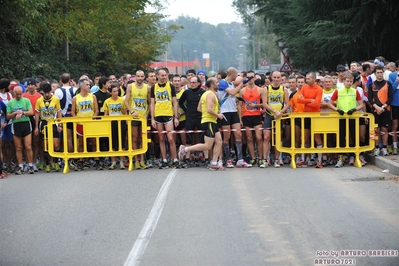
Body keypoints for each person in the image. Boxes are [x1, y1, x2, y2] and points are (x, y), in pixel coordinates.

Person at [178, 77, 225, 171]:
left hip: (211, 121)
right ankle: (185, 149)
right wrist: (218, 114)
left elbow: (199, 108)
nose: (218, 84)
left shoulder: (204, 93)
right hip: (209, 121)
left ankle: (214, 163)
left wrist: (213, 112)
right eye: (216, 82)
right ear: (211, 84)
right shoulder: (210, 94)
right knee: (207, 145)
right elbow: (208, 109)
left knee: (219, 141)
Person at [326, 74, 364, 167]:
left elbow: (361, 104)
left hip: (352, 117)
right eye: (347, 81)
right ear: (344, 81)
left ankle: (356, 157)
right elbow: (329, 103)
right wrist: (337, 110)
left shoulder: (355, 91)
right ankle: (340, 158)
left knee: (354, 136)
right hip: (341, 117)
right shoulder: (338, 91)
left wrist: (354, 109)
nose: (349, 83)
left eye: (351, 81)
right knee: (341, 138)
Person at [218, 67, 252, 168]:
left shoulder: (232, 84)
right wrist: (242, 84)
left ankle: (240, 159)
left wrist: (238, 98)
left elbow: (232, 95)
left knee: (238, 134)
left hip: (233, 112)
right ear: (232, 74)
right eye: (236, 75)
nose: (237, 77)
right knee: (227, 136)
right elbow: (232, 92)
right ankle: (228, 159)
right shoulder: (223, 82)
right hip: (225, 112)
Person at [150, 68, 179, 169]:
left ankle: (174, 159)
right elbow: (152, 103)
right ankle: (164, 159)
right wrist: (153, 119)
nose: (164, 77)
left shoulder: (170, 86)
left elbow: (175, 102)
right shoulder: (153, 87)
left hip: (168, 115)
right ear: (157, 76)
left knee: (171, 138)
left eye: (165, 75)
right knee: (161, 139)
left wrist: (176, 117)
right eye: (162, 75)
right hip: (158, 115)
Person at [239, 70, 267, 167]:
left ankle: (260, 157)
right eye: (248, 78)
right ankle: (253, 158)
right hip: (246, 116)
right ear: (246, 79)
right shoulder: (242, 90)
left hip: (256, 116)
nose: (250, 80)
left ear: (255, 78)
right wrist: (240, 118)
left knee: (259, 138)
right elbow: (239, 105)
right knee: (249, 138)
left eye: (252, 77)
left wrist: (255, 105)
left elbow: (264, 104)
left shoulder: (260, 90)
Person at [71, 79, 99, 170]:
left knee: (94, 142)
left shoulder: (93, 96)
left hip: (90, 122)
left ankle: (97, 159)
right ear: (81, 86)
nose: (89, 86)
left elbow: (96, 110)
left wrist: (93, 118)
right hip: (81, 123)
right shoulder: (76, 98)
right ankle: (81, 160)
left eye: (89, 85)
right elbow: (72, 111)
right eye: (86, 85)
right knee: (81, 143)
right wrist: (76, 118)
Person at [263, 71, 290, 168]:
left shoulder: (284, 89)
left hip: (279, 116)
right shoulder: (266, 89)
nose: (276, 79)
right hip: (269, 115)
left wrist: (280, 112)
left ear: (281, 78)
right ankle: (265, 159)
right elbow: (265, 104)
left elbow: (287, 104)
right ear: (271, 78)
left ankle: (277, 159)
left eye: (278, 77)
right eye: (274, 77)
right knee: (266, 137)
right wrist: (275, 111)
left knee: (278, 138)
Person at [297, 72, 324, 168]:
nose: (306, 80)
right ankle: (303, 159)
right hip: (306, 115)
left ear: (313, 79)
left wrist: (305, 100)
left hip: (315, 115)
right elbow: (299, 100)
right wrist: (309, 100)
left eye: (308, 79)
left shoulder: (319, 89)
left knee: (317, 138)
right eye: (306, 79)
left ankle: (319, 160)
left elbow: (316, 104)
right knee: (304, 137)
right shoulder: (304, 87)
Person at [34, 83, 62, 172]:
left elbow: (59, 112)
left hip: (53, 123)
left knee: (56, 145)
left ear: (51, 91)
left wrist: (60, 124)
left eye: (48, 92)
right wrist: (36, 127)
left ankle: (56, 162)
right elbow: (37, 114)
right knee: (45, 145)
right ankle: (47, 164)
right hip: (44, 123)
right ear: (42, 92)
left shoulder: (56, 99)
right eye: (45, 93)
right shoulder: (39, 101)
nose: (46, 95)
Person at [6, 86, 35, 174]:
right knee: (18, 147)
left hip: (26, 124)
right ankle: (20, 166)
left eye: (20, 94)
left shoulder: (26, 100)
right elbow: (8, 116)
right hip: (16, 125)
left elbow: (31, 112)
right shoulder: (11, 102)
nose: (18, 96)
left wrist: (22, 112)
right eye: (17, 94)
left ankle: (30, 165)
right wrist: (15, 113)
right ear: (13, 93)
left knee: (28, 146)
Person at [125, 70, 150, 169]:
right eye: (138, 76)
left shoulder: (148, 88)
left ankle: (142, 160)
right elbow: (126, 102)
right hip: (134, 116)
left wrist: (147, 114)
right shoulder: (130, 87)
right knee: (135, 138)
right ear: (135, 77)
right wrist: (131, 112)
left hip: (143, 117)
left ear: (144, 77)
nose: (140, 78)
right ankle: (136, 160)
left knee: (142, 138)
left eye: (142, 76)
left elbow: (150, 103)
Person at [178, 75, 205, 165]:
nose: (192, 84)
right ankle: (188, 158)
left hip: (200, 117)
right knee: (189, 139)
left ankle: (205, 158)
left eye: (194, 82)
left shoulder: (203, 92)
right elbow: (180, 102)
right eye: (190, 82)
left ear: (198, 83)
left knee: (203, 138)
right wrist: (186, 110)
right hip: (190, 117)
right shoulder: (187, 92)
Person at [367, 65, 394, 156]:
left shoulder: (388, 84)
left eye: (381, 72)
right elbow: (369, 98)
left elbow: (390, 97)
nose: (379, 74)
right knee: (377, 130)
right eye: (378, 73)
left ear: (383, 73)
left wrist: (383, 107)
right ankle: (377, 147)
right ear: (375, 74)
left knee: (385, 128)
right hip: (375, 110)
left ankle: (385, 147)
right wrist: (376, 107)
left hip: (385, 109)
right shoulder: (372, 85)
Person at [103, 85, 127, 170]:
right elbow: (106, 114)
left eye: (117, 91)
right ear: (110, 92)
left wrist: (126, 122)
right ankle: (113, 162)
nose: (116, 93)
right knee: (112, 142)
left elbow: (125, 112)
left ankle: (121, 161)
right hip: (111, 123)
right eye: (114, 91)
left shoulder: (122, 100)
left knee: (122, 141)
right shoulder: (107, 101)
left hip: (121, 123)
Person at [22, 78, 42, 172]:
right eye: (28, 85)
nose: (30, 86)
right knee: (26, 144)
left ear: (35, 86)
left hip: (36, 118)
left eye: (32, 85)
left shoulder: (39, 96)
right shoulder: (23, 96)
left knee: (36, 142)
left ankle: (34, 162)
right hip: (26, 119)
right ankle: (27, 161)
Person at [388, 60, 399, 155]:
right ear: (397, 67)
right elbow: (390, 90)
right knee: (395, 125)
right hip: (395, 104)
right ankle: (394, 145)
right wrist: (397, 81)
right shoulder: (392, 76)